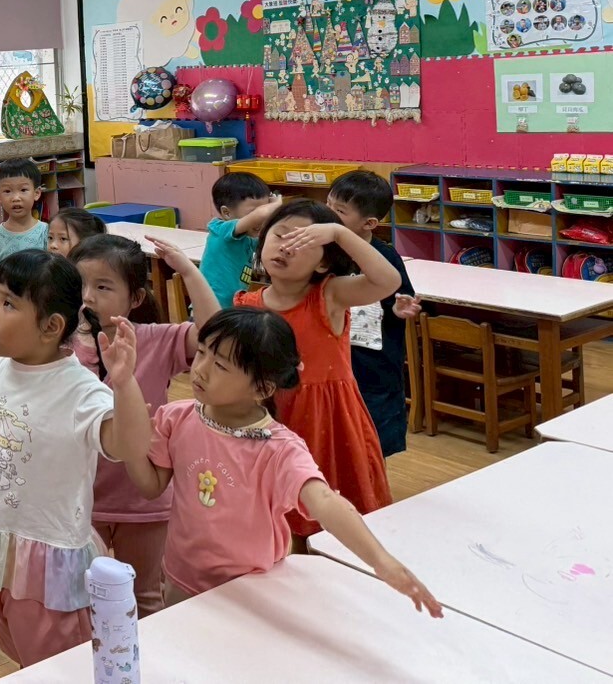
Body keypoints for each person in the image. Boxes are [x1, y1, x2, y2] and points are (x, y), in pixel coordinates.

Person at [109, 307, 441, 615]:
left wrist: (381, 561)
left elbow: (324, 501)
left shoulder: (278, 448)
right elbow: (150, 486)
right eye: (203, 352)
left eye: (221, 365)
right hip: (181, 578)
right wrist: (125, 388)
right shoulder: (176, 418)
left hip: (252, 590)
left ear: (262, 388)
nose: (201, 369)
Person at [0, 249, 136, 667]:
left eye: (8, 303)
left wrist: (125, 384)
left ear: (51, 327)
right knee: (17, 648)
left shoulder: (79, 390)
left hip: (46, 555)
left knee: (55, 664)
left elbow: (126, 446)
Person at [68, 233, 220, 616]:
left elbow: (214, 334)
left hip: (144, 501)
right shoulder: (59, 346)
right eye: (79, 284)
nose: (87, 297)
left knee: (148, 598)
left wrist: (186, 269)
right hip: (80, 502)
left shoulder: (154, 339)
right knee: (83, 601)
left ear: (135, 299)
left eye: (103, 287)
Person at [235, 200, 398, 536]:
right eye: (279, 236)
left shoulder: (329, 296)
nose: (285, 248)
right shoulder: (247, 304)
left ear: (324, 263)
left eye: (302, 244)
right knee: (279, 520)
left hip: (330, 422)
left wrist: (339, 233)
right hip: (270, 419)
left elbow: (387, 280)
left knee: (339, 521)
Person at [327, 170, 421, 458]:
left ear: (369, 223)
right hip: (334, 360)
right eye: (327, 206)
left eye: (339, 211)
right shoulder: (323, 253)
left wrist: (398, 308)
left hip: (375, 366)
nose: (329, 216)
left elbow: (400, 295)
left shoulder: (385, 256)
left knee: (374, 441)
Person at [0, 159, 48, 319]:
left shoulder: (46, 232)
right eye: (7, 191)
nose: (16, 198)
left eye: (23, 190)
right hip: (4, 311)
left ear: (36, 193)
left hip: (39, 308)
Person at [199, 173, 276, 308]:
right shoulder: (220, 230)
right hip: (211, 308)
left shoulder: (248, 238)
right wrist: (277, 204)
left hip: (232, 308)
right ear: (227, 213)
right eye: (253, 213)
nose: (261, 219)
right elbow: (261, 215)